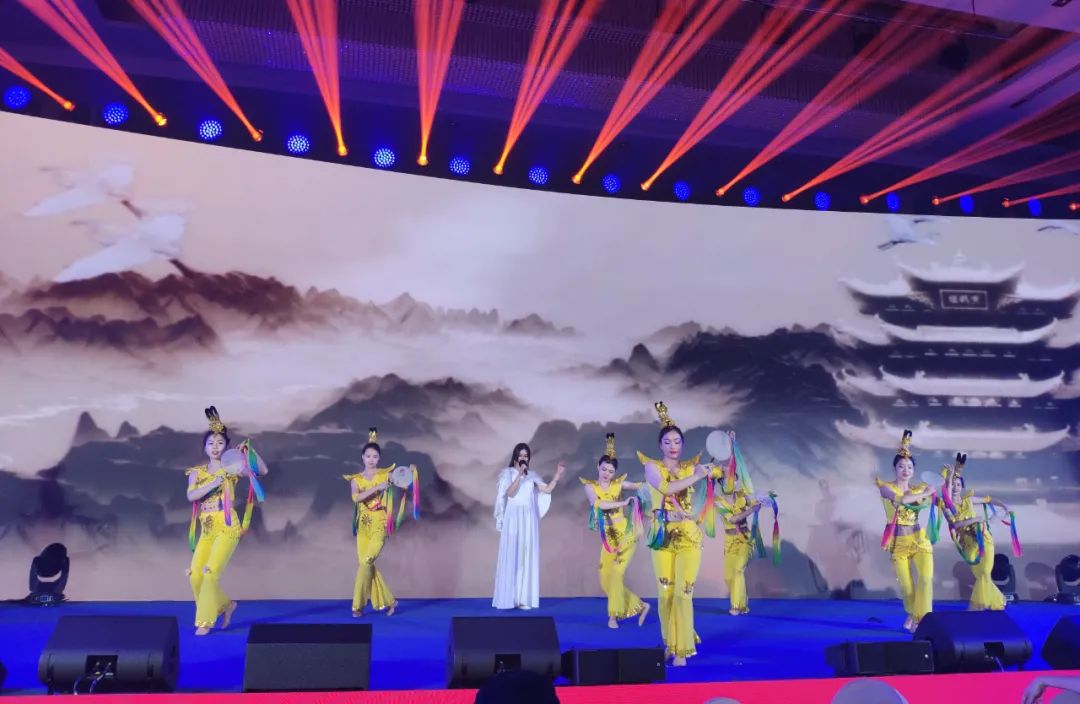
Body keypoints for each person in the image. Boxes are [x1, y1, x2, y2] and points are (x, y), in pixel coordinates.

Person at [637, 401, 713, 666]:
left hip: (689, 539)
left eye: (677, 441)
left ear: (682, 445)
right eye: (668, 441)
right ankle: (669, 644)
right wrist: (697, 475)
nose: (673, 445)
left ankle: (682, 650)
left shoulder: (692, 468)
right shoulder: (652, 468)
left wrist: (730, 451)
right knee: (666, 595)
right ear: (660, 445)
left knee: (683, 593)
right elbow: (667, 489)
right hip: (662, 538)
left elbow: (724, 476)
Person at [186, 406, 268, 636]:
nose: (215, 447)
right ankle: (226, 605)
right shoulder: (197, 473)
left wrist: (249, 452)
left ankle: (205, 621)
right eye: (211, 443)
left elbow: (262, 470)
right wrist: (214, 482)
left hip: (228, 526)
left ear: (226, 447)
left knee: (210, 573)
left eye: (220, 443)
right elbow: (192, 496)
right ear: (204, 447)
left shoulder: (232, 468)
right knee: (195, 575)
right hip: (207, 529)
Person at [344, 427, 418, 617]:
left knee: (367, 561)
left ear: (379, 458)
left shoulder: (385, 475)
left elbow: (402, 480)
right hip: (363, 527)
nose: (371, 459)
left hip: (380, 524)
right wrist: (377, 488)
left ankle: (357, 606)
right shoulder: (356, 480)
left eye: (375, 456)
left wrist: (410, 473)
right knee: (365, 564)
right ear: (362, 457)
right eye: (368, 456)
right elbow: (356, 498)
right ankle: (390, 602)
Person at [579, 433, 650, 628]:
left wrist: (651, 482)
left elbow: (637, 485)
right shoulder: (590, 487)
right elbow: (597, 504)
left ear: (614, 473)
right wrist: (623, 502)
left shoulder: (618, 484)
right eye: (604, 469)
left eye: (611, 471)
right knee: (605, 578)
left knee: (617, 574)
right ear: (598, 467)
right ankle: (640, 605)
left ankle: (613, 616)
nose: (606, 473)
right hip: (608, 538)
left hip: (626, 534)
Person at [493, 442, 565, 610]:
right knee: (512, 554)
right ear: (515, 457)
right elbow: (510, 494)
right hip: (513, 518)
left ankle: (523, 598)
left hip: (528, 519)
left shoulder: (532, 475)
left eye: (526, 456)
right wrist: (519, 475)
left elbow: (547, 490)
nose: (523, 458)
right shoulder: (508, 474)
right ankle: (509, 598)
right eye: (521, 455)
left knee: (526, 556)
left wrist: (557, 475)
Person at [875, 429, 934, 632]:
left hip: (920, 540)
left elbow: (934, 498)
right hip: (898, 542)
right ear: (895, 468)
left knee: (925, 579)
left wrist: (936, 488)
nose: (906, 470)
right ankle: (913, 613)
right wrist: (925, 493)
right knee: (906, 586)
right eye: (901, 466)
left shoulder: (918, 489)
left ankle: (922, 620)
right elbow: (901, 500)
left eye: (909, 467)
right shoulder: (885, 487)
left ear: (914, 471)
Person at [937, 453, 1009, 611]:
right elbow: (956, 525)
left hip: (983, 538)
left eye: (958, 484)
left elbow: (989, 499)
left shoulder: (968, 500)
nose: (956, 487)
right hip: (967, 544)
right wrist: (975, 519)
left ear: (962, 487)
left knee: (985, 572)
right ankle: (997, 601)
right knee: (981, 575)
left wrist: (1005, 506)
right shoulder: (946, 506)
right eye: (952, 484)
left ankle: (978, 607)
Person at [713, 432, 765, 616]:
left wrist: (733, 445)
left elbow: (754, 497)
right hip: (730, 542)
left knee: (737, 571)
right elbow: (733, 519)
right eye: (725, 479)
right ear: (721, 482)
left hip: (745, 539)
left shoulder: (743, 495)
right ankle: (742, 600)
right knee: (728, 577)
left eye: (733, 478)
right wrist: (751, 510)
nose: (730, 481)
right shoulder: (719, 502)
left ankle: (737, 606)